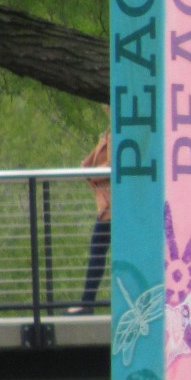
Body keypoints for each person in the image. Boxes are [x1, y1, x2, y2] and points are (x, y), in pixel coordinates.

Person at [72, 131, 110, 314]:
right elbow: (88, 165)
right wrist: (88, 170)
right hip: (109, 206)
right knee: (97, 252)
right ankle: (86, 304)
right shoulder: (109, 133)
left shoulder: (118, 132)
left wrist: (92, 175)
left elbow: (115, 164)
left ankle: (87, 304)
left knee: (98, 252)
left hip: (113, 206)